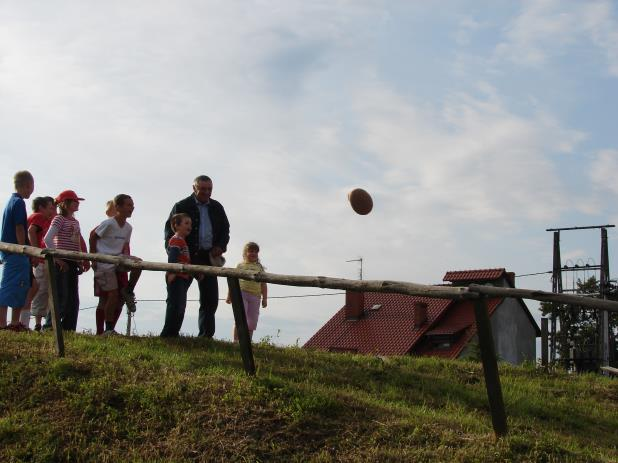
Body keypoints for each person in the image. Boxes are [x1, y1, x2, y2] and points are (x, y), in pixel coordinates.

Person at [164, 175, 229, 338]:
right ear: (194, 189)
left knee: (210, 299)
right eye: (203, 189)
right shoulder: (182, 205)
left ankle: (206, 337)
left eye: (210, 189)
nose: (207, 193)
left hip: (208, 257)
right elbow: (169, 231)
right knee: (177, 298)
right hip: (186, 256)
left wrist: (220, 246)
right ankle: (170, 335)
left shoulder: (217, 207)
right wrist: (173, 257)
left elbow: (225, 230)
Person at [90, 194, 141, 335]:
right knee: (111, 295)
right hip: (104, 261)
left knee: (139, 264)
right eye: (128, 205)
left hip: (118, 259)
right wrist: (93, 257)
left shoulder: (128, 228)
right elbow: (93, 236)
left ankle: (128, 290)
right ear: (117, 207)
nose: (132, 208)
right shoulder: (108, 223)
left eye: (132, 205)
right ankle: (107, 329)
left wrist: (128, 259)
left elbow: (125, 245)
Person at [43, 190, 90, 331]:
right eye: (74, 201)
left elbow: (77, 243)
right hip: (61, 261)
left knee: (73, 299)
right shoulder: (59, 219)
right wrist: (57, 258)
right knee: (61, 296)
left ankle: (68, 328)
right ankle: (50, 326)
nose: (77, 203)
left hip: (72, 261)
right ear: (65, 204)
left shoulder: (75, 222)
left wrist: (80, 260)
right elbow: (47, 239)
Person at [0, 171, 35, 331]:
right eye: (31, 186)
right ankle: (10, 323)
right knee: (16, 288)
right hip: (16, 252)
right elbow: (19, 227)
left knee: (11, 287)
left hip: (7, 252)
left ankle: (9, 322)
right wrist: (23, 249)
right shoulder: (19, 202)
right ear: (27, 185)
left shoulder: (10, 201)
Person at [22, 196, 55, 331]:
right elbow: (31, 231)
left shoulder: (38, 218)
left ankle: (24, 323)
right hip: (36, 259)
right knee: (37, 289)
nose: (51, 211)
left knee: (34, 288)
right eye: (49, 207)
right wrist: (36, 252)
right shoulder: (38, 217)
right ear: (41, 207)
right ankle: (24, 323)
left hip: (28, 258)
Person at [226, 242, 267, 341]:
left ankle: (247, 342)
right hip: (241, 293)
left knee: (252, 321)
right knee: (240, 317)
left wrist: (264, 299)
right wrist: (229, 295)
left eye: (256, 252)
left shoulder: (260, 268)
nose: (253, 254)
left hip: (255, 296)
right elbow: (233, 281)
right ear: (245, 253)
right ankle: (235, 341)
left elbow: (264, 284)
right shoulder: (240, 265)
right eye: (251, 251)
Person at [160, 213, 193, 337]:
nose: (189, 226)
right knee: (175, 305)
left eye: (190, 223)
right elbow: (173, 257)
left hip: (183, 277)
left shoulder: (182, 241)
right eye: (186, 223)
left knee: (180, 305)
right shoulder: (176, 240)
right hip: (177, 276)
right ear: (176, 225)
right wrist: (172, 272)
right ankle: (168, 333)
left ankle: (174, 332)